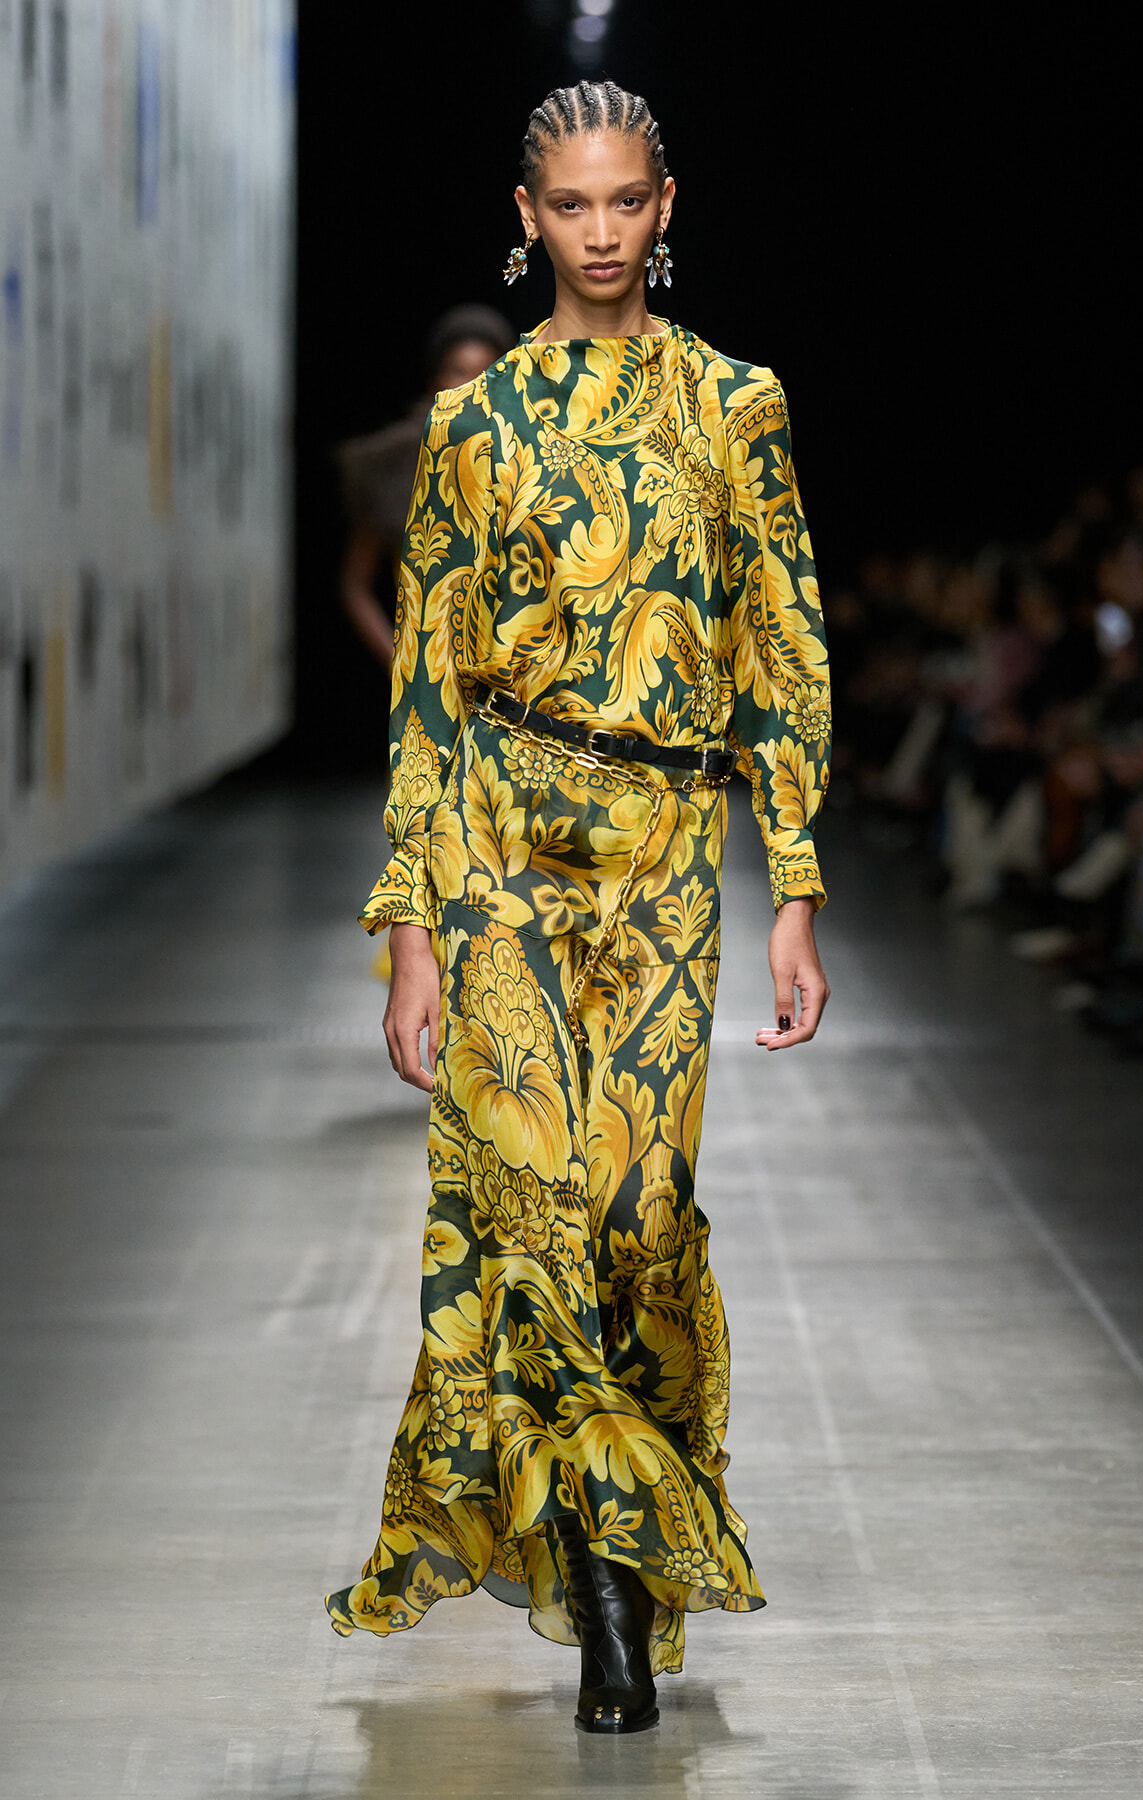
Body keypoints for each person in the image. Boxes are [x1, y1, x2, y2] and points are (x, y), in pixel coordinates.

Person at [325, 80, 832, 1737]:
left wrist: (796, 883)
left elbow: (783, 645)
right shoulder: (474, 426)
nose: (601, 232)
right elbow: (430, 683)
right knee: (537, 1209)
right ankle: (611, 1592)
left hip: (670, 846)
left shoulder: (736, 404)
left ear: (665, 206)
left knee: (637, 1212)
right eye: (572, 205)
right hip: (506, 848)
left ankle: (616, 1539)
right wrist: (412, 926)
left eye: (627, 201)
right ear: (527, 216)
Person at [336, 306, 517, 669]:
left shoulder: (527, 460)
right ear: (436, 378)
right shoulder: (397, 464)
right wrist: (402, 666)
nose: (470, 387)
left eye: (485, 374)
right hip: (427, 668)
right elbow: (356, 585)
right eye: (459, 371)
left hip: (511, 676)